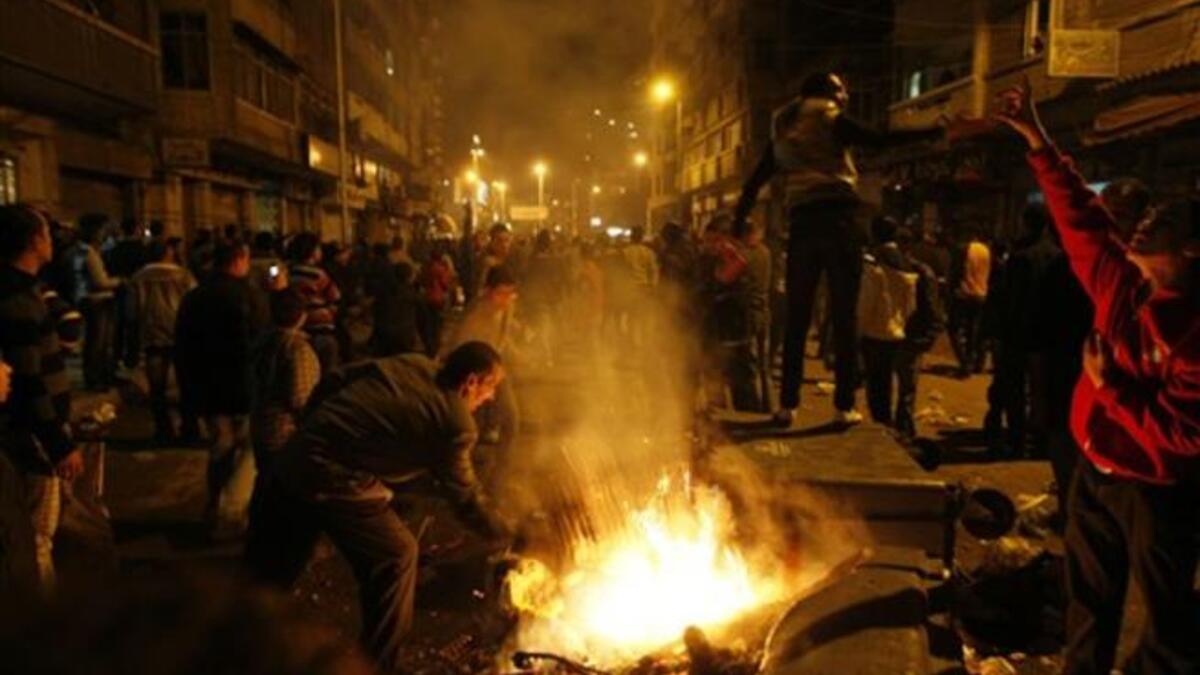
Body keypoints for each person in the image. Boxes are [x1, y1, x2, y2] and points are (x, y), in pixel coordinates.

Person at [997, 82, 1200, 675]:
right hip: (1096, 472)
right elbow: (1080, 215)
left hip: (1160, 491)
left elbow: (1185, 435)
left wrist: (1111, 389)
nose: (1142, 225)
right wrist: (1038, 141)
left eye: (1164, 222)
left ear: (1192, 248)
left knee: (1168, 631)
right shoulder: (1123, 284)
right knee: (1086, 608)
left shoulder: (1191, 332)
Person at [245, 342, 511, 673]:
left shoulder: (415, 361)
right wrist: (503, 532)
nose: (492, 396)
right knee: (397, 555)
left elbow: (336, 379)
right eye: (492, 386)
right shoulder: (457, 424)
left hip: (296, 458)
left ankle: (235, 645)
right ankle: (376, 666)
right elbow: (465, 495)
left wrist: (315, 429)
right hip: (333, 476)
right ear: (471, 381)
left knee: (272, 570)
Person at [734, 72, 945, 426]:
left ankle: (787, 405)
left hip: (801, 225)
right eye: (841, 89)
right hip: (840, 221)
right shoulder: (831, 119)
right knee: (844, 315)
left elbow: (755, 181)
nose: (846, 95)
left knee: (798, 318)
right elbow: (879, 139)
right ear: (831, 93)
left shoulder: (782, 131)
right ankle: (843, 407)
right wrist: (933, 130)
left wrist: (740, 221)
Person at [0, 204, 83, 590]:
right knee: (36, 535)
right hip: (30, 434)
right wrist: (58, 443)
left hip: (27, 430)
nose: (52, 242)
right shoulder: (17, 301)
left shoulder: (26, 290)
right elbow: (28, 381)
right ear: (34, 241)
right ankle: (40, 622)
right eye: (47, 234)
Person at [176, 241, 266, 537]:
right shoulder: (248, 296)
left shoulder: (194, 297)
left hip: (207, 387)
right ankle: (231, 510)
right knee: (247, 449)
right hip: (243, 385)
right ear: (239, 260)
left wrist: (188, 393)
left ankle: (216, 506)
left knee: (220, 447)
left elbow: (183, 348)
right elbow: (262, 341)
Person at [983, 205, 1057, 457]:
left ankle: (1016, 440)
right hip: (1047, 335)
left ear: (1025, 223)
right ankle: (1041, 441)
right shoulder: (1056, 255)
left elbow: (1011, 300)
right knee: (1042, 389)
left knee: (1014, 389)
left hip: (1019, 334)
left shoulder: (1021, 257)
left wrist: (1001, 334)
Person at [128, 238, 196, 443]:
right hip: (181, 333)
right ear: (168, 253)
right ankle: (189, 428)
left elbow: (132, 311)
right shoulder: (182, 275)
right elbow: (193, 301)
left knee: (157, 387)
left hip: (152, 335)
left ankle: (163, 428)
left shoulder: (139, 277)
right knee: (187, 384)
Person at [250, 289, 320, 473]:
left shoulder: (262, 341)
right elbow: (300, 398)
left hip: (260, 424)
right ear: (302, 316)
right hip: (285, 432)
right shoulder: (297, 348)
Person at [70, 213, 122, 390]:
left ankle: (103, 375)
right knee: (97, 342)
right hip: (97, 301)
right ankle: (95, 378)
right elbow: (99, 281)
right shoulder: (87, 252)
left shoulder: (90, 250)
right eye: (102, 230)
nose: (104, 234)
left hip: (96, 300)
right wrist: (119, 281)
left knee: (101, 342)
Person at [287, 233, 341, 371]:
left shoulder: (288, 271)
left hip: (296, 327)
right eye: (318, 248)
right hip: (319, 328)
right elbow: (335, 296)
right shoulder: (318, 274)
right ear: (311, 251)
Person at [948, 228, 991, 378]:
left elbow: (956, 271)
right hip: (981, 293)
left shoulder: (963, 249)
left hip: (964, 293)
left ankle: (964, 363)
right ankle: (975, 362)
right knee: (973, 330)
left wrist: (950, 289)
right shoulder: (986, 250)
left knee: (953, 328)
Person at [107, 217, 147, 370]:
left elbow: (110, 268)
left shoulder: (115, 249)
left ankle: (116, 355)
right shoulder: (141, 249)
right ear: (136, 229)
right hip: (136, 289)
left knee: (118, 324)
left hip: (119, 287)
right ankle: (132, 357)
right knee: (134, 324)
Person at [371, 260, 423, 357]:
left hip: (383, 331)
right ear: (408, 277)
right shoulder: (409, 293)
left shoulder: (384, 290)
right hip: (402, 333)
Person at [417, 238, 456, 358]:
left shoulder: (425, 267)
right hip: (438, 299)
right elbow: (445, 285)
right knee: (437, 325)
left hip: (426, 297)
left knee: (428, 324)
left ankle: (429, 347)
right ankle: (434, 349)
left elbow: (421, 281)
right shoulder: (441, 269)